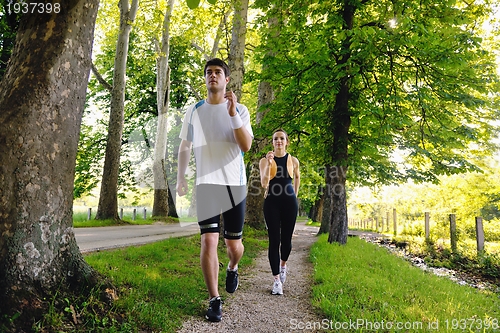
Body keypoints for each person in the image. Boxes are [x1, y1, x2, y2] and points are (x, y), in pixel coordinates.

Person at [176, 58, 253, 322]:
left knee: (233, 245)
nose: (213, 76)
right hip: (206, 185)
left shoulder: (240, 109)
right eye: (209, 72)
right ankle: (214, 299)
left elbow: (245, 146)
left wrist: (232, 114)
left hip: (234, 185)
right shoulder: (195, 110)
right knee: (209, 240)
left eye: (218, 72)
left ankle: (233, 266)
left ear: (227, 79)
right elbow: (185, 145)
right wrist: (180, 178)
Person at [259, 129, 300, 295]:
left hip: (290, 203)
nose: (279, 141)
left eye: (282, 138)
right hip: (271, 203)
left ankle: (283, 265)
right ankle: (276, 280)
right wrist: (269, 164)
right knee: (274, 240)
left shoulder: (293, 160)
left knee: (286, 240)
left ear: (287, 141)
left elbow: (297, 177)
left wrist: (294, 195)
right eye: (275, 138)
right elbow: (263, 183)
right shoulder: (264, 161)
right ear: (272, 142)